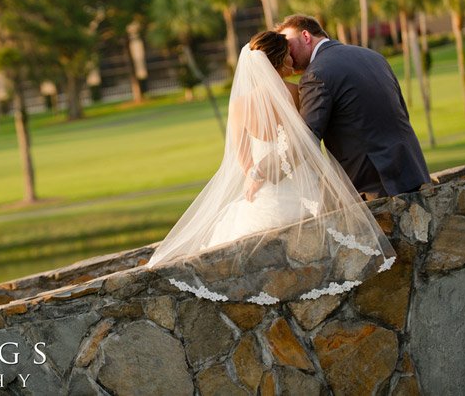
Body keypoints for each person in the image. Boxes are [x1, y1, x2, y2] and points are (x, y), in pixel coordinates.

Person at [146, 31, 395, 306]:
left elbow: (241, 155)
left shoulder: (241, 104)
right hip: (307, 185)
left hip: (266, 191)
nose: (292, 57)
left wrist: (255, 176)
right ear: (281, 60)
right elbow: (309, 138)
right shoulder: (297, 92)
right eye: (287, 53)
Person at [277, 15, 431, 199]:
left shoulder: (316, 75)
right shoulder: (373, 56)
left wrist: (263, 172)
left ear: (306, 36)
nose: (286, 53)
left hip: (373, 185)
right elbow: (402, 112)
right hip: (411, 171)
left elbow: (306, 138)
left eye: (288, 44)